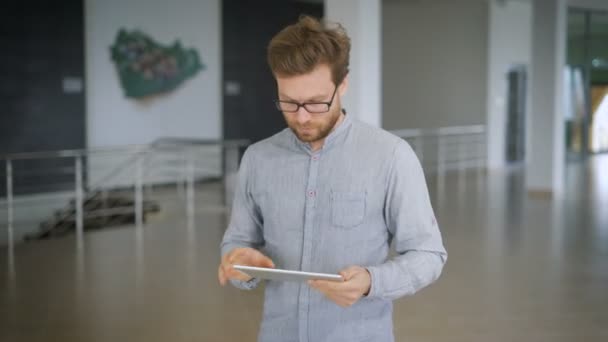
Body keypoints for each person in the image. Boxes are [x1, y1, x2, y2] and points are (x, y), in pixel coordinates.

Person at [218, 15, 447, 342]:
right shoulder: (257, 159)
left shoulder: (391, 156)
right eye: (289, 102)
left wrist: (371, 281)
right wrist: (239, 259)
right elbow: (237, 240)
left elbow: (429, 255)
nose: (302, 116)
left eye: (315, 102)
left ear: (343, 85)